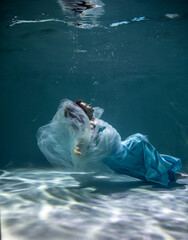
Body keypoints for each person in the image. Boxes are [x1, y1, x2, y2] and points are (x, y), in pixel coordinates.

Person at [37, 99, 182, 186]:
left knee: (138, 165)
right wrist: (77, 148)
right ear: (81, 112)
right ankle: (167, 171)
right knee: (139, 141)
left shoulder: (92, 122)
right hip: (117, 155)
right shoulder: (88, 126)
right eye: (86, 105)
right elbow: (83, 138)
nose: (89, 105)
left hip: (115, 156)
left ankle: (170, 174)